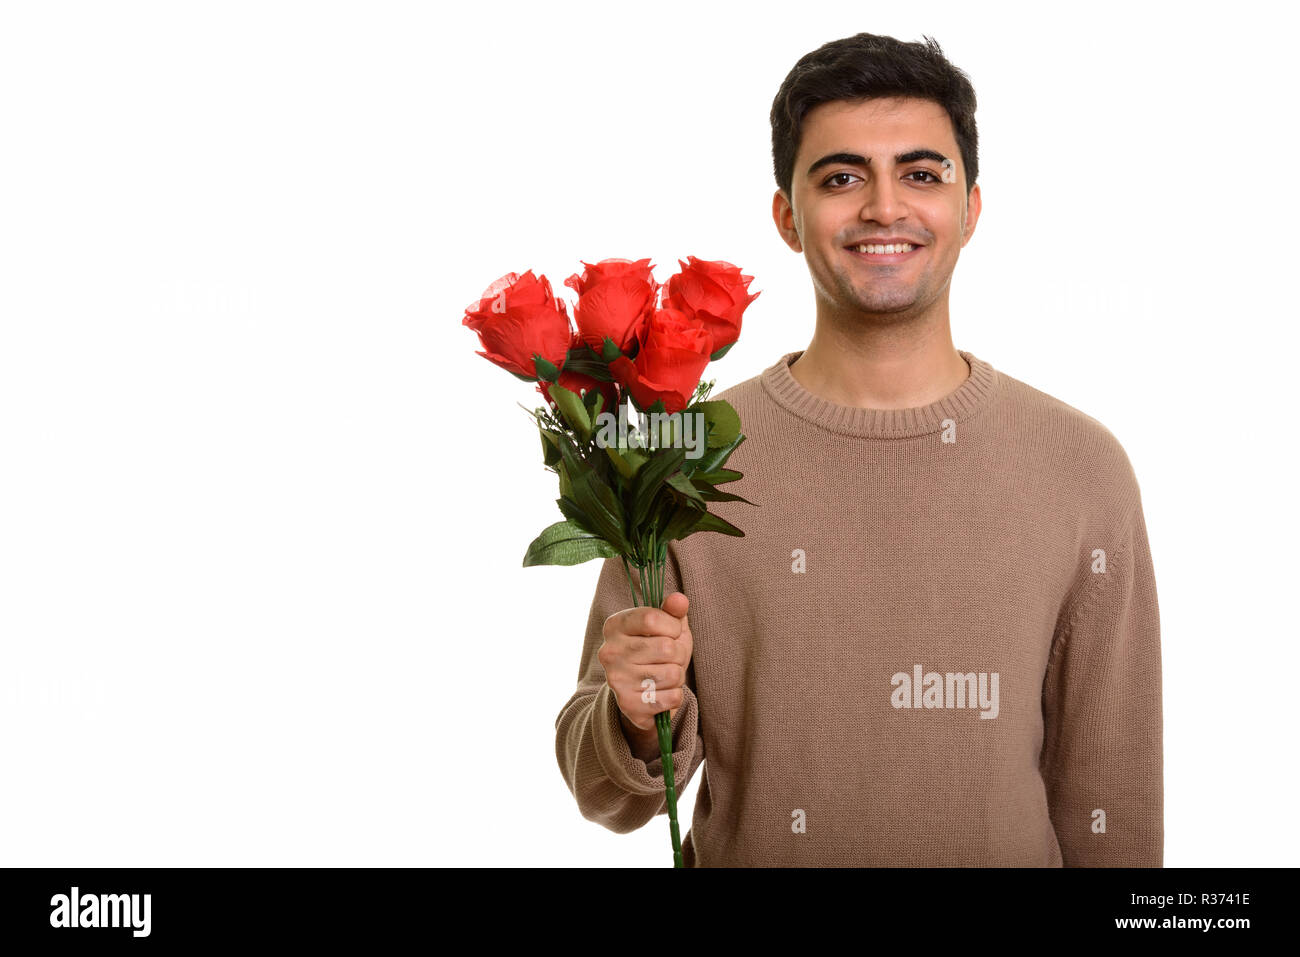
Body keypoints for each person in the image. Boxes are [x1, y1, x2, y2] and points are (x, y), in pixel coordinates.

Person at [555, 31, 1162, 867]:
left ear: (971, 209)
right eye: (842, 177)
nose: (884, 207)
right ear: (787, 217)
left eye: (921, 173)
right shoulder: (678, 458)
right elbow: (608, 795)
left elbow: (1113, 802)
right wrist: (629, 712)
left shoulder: (1083, 466)